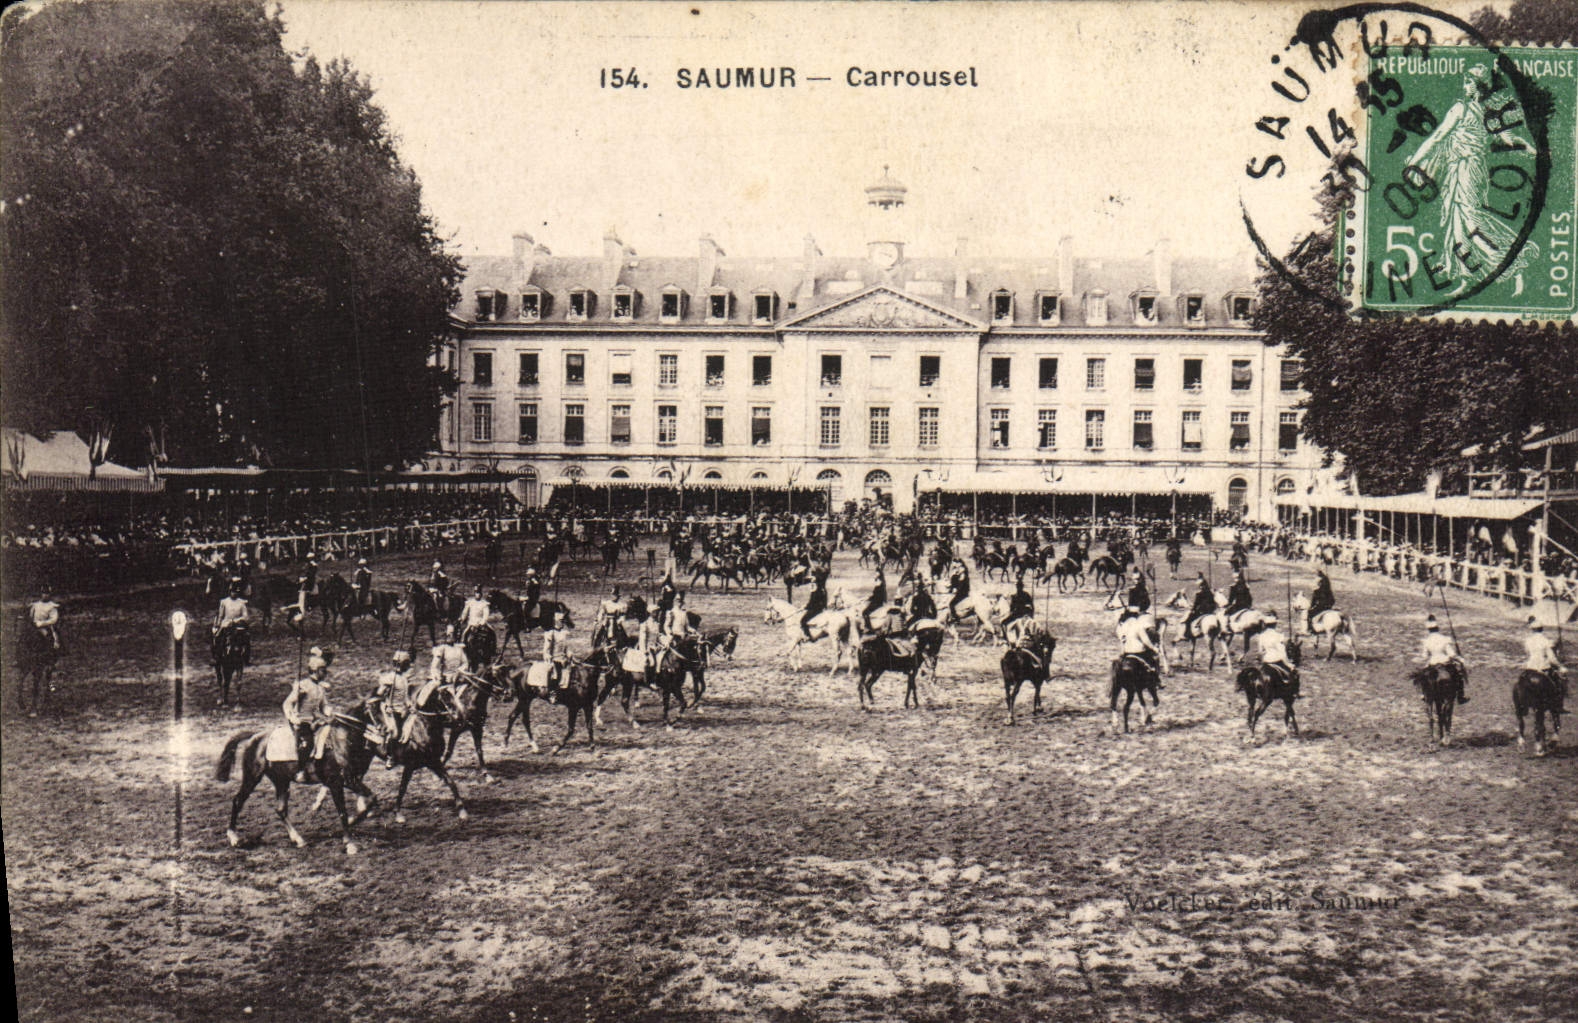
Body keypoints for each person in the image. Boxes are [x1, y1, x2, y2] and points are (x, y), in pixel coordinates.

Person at [283, 655, 333, 783]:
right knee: (308, 742)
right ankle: (300, 770)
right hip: (302, 720)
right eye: (323, 670)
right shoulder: (303, 685)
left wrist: (329, 711)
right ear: (315, 670)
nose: (325, 673)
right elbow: (288, 703)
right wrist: (292, 717)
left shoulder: (320, 688)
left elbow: (324, 705)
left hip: (315, 720)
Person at [370, 650, 417, 759]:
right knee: (394, 732)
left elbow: (405, 696)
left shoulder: (404, 679)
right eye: (405, 664)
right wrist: (387, 703)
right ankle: (389, 756)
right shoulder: (390, 678)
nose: (407, 667)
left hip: (401, 709)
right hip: (389, 710)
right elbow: (380, 694)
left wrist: (410, 705)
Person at [1414, 614, 1467, 704]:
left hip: (1432, 662)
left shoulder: (1426, 641)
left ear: (1428, 629)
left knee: (1422, 676)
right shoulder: (1444, 639)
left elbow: (1425, 656)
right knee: (1458, 676)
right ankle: (1460, 696)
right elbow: (1451, 654)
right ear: (1438, 628)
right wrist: (1459, 658)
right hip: (1444, 661)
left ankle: (1423, 694)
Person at [1522, 617, 1567, 709]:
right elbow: (1552, 659)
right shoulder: (1546, 641)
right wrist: (1560, 666)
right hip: (1543, 667)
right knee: (1559, 682)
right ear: (1542, 629)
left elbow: (1528, 654)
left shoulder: (1528, 641)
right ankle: (1558, 705)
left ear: (1532, 629)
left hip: (1530, 667)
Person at [426, 625, 471, 717]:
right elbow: (434, 666)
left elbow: (465, 663)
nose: (449, 636)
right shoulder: (442, 649)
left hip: (459, 678)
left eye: (452, 634)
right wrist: (438, 676)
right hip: (446, 679)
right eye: (448, 634)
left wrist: (459, 671)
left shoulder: (459, 649)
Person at [1114, 603, 1162, 686]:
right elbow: (1146, 641)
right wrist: (1154, 648)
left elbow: (1121, 639)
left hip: (1126, 653)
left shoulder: (1122, 626)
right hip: (1139, 652)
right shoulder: (1138, 626)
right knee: (1154, 660)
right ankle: (1156, 681)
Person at [1254, 609, 1298, 693]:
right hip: (1277, 661)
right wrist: (1289, 664)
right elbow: (1282, 653)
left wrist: (1262, 660)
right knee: (1294, 674)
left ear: (1265, 624)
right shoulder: (1278, 636)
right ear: (1275, 624)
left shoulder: (1261, 636)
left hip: (1266, 662)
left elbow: (1260, 652)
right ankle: (1294, 692)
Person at [212, 580, 251, 666]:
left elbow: (246, 616)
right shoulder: (224, 602)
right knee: (218, 637)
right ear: (229, 592)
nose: (234, 593)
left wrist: (238, 620)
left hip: (238, 623)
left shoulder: (241, 602)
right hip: (226, 623)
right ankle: (217, 657)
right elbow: (221, 615)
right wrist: (218, 625)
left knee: (246, 637)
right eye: (233, 591)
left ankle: (246, 659)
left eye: (236, 592)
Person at [542, 607, 574, 701]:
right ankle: (552, 693)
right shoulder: (550, 634)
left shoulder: (564, 633)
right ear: (556, 621)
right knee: (556, 674)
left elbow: (566, 647)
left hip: (563, 658)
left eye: (563, 621)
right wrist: (548, 656)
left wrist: (569, 653)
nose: (562, 623)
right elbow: (546, 649)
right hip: (554, 658)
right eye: (561, 621)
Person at [1002, 575, 1036, 647]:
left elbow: (1012, 609)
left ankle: (1005, 639)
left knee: (1003, 623)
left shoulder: (1014, 596)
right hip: (1025, 613)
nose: (1018, 588)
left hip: (1017, 614)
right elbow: (1032, 606)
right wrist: (1032, 615)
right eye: (1018, 587)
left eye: (1018, 587)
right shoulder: (1026, 595)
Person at [28, 587, 62, 653]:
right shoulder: (35, 605)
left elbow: (54, 619)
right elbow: (31, 616)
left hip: (46, 626)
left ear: (50, 594)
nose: (45, 595)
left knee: (48, 636)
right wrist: (33, 623)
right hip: (34, 625)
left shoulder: (52, 606)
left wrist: (41, 623)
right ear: (41, 594)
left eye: (47, 593)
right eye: (44, 593)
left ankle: (52, 650)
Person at [862, 567, 888, 633]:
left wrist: (869, 598)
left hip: (877, 602)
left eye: (876, 573)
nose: (875, 574)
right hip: (877, 600)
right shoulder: (881, 583)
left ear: (879, 574)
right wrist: (868, 598)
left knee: (864, 613)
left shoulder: (879, 584)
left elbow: (876, 596)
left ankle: (869, 628)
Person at [947, 558, 971, 622]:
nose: (955, 566)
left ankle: (955, 617)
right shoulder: (961, 571)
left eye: (956, 564)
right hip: (962, 590)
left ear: (959, 564)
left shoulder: (962, 572)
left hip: (962, 592)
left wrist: (956, 589)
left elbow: (961, 583)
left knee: (951, 604)